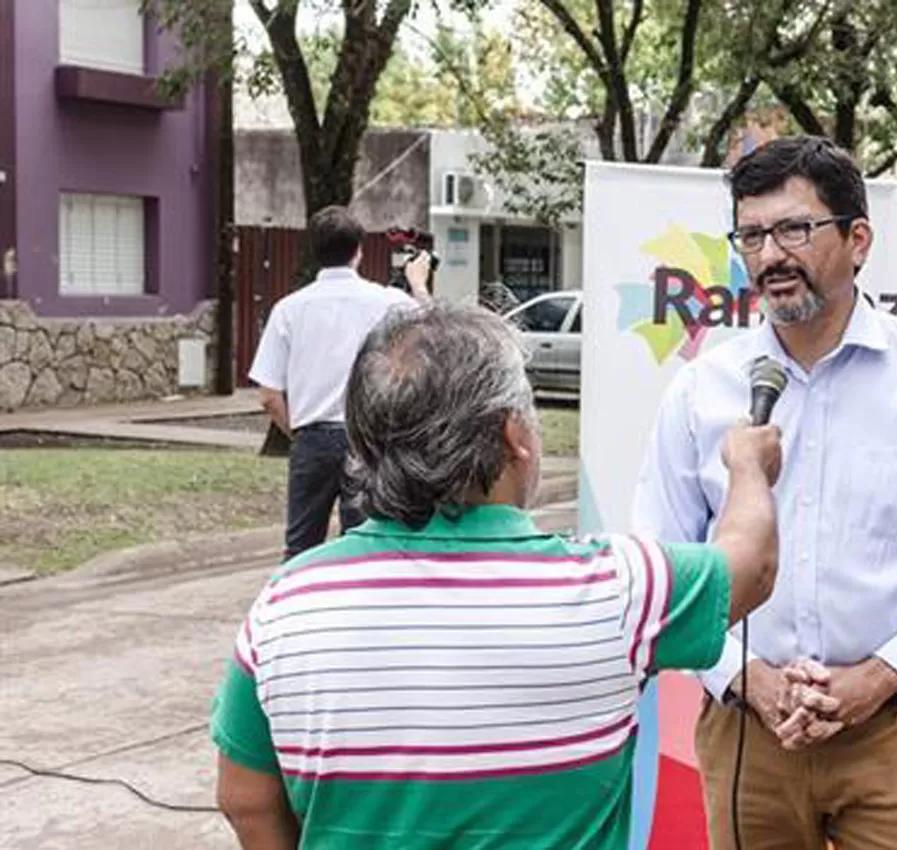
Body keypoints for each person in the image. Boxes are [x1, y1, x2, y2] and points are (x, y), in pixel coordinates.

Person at [211, 302, 783, 849]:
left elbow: (245, 799)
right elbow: (751, 565)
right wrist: (747, 469)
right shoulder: (616, 591)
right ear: (514, 436)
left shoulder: (287, 604)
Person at [632, 135, 897, 849]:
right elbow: (661, 565)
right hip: (749, 734)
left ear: (858, 240)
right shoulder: (703, 389)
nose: (769, 256)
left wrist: (882, 676)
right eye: (752, 235)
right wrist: (747, 677)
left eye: (795, 229)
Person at [247, 205, 431, 561]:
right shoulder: (389, 301)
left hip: (311, 438)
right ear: (359, 251)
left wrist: (298, 432)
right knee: (362, 546)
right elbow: (437, 326)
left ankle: (295, 610)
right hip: (368, 438)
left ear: (314, 252)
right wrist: (419, 284)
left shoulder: (288, 309)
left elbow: (268, 396)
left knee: (301, 546)